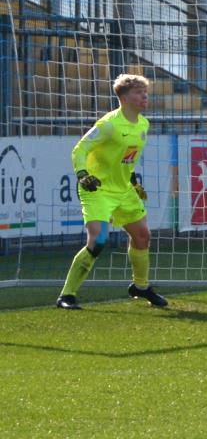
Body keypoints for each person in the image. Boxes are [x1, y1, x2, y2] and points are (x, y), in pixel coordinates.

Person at [55, 74, 167, 310]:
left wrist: (133, 183)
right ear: (124, 98)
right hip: (96, 188)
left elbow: (127, 159)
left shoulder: (143, 125)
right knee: (99, 240)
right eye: (138, 92)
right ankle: (67, 295)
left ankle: (141, 287)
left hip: (123, 189)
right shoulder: (108, 124)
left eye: (145, 92)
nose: (144, 96)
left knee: (142, 236)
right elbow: (80, 149)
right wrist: (83, 174)